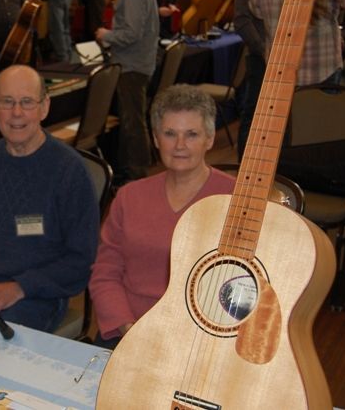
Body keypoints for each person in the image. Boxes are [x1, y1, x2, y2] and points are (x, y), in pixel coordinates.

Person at [0, 65, 99, 332]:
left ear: (44, 107)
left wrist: (20, 287)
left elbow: (81, 260)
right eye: (7, 102)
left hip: (35, 298)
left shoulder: (69, 171)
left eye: (27, 102)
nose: (16, 113)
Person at [89, 84, 235, 348]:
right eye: (170, 134)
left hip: (198, 339)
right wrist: (127, 327)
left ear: (210, 139)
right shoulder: (129, 196)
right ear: (156, 139)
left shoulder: (234, 199)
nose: (180, 145)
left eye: (192, 134)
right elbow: (105, 272)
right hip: (129, 329)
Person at [233, 0, 296, 160]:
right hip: (263, 56)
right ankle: (243, 171)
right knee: (255, 118)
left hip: (282, 55)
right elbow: (241, 18)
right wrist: (263, 49)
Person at [96, 0, 159, 183]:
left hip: (132, 65)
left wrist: (105, 35)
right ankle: (131, 171)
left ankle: (137, 176)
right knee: (133, 119)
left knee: (133, 122)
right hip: (136, 62)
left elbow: (131, 33)